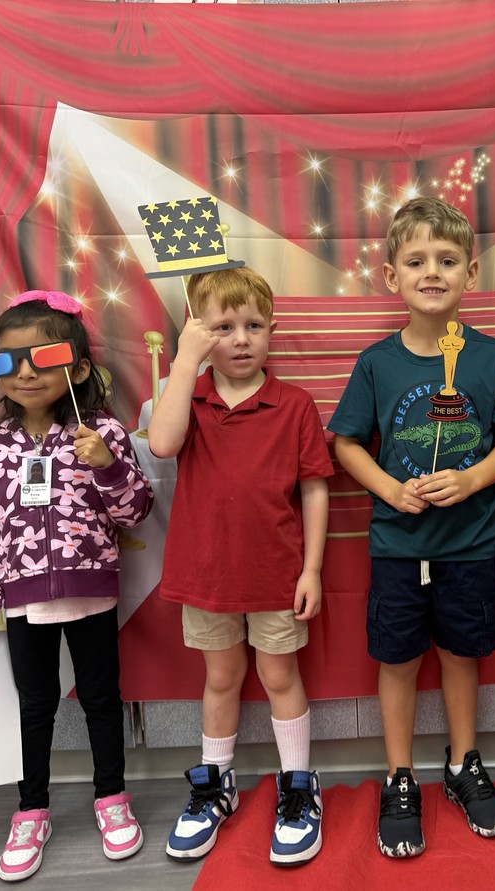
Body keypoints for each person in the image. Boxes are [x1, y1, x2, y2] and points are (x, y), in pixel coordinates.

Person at [329, 197, 495, 858]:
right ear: (392, 276)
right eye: (416, 261)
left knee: (461, 653)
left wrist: (470, 480)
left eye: (446, 260)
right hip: (397, 544)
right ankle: (399, 774)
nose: (431, 272)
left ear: (471, 271)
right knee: (399, 658)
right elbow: (346, 443)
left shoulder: (491, 356)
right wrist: (389, 487)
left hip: (470, 543)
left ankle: (464, 762)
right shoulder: (377, 362)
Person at [0, 290, 154, 883]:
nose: (24, 373)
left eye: (41, 357)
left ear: (78, 367)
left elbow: (137, 511)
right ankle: (31, 809)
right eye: (8, 361)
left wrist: (107, 466)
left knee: (101, 700)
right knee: (34, 707)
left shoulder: (105, 433)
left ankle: (111, 799)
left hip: (93, 595)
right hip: (22, 598)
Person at [148, 266, 332, 866]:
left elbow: (314, 490)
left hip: (277, 574)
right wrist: (185, 359)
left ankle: (299, 787)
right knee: (221, 680)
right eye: (222, 327)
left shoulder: (295, 404)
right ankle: (215, 785)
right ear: (198, 332)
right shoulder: (191, 398)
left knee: (280, 678)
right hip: (206, 574)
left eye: (253, 325)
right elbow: (162, 443)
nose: (241, 338)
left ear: (271, 329)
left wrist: (311, 570)